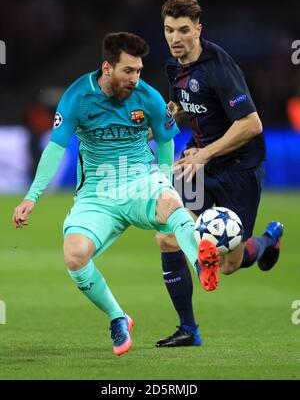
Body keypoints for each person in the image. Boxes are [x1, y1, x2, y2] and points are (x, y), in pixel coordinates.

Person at [12, 32, 220, 356]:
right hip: (96, 193)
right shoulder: (78, 96)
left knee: (171, 203)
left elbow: (165, 141)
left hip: (140, 181)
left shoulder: (147, 96)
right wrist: (32, 196)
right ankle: (118, 317)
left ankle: (201, 262)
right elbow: (55, 148)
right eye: (128, 71)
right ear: (107, 68)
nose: (135, 79)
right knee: (74, 254)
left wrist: (162, 181)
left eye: (138, 70)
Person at [155, 0, 284, 348]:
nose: (175, 38)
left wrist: (204, 155)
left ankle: (269, 239)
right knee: (168, 236)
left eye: (183, 30)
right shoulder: (175, 67)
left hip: (239, 169)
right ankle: (188, 330)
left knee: (229, 265)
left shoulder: (218, 66)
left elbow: (251, 124)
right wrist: (159, 124)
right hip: (198, 165)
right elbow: (185, 108)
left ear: (198, 29)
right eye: (169, 30)